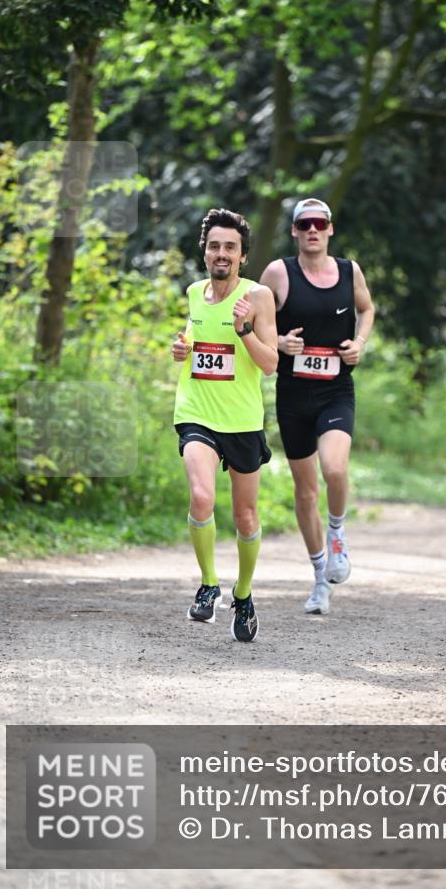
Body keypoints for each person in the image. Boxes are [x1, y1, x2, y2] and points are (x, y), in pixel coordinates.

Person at [260, 197, 375, 614]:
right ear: (294, 231)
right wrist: (278, 343)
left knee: (335, 468)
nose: (312, 230)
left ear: (330, 229)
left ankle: (338, 534)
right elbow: (256, 322)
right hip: (293, 396)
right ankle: (318, 579)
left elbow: (366, 309)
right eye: (304, 223)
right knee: (306, 493)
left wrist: (359, 344)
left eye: (319, 223)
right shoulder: (278, 272)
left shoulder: (349, 271)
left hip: (335, 390)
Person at [172, 208, 278, 641]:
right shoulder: (195, 292)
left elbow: (270, 363)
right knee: (201, 497)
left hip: (242, 420)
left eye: (230, 247)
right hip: (196, 411)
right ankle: (209, 584)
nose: (221, 253)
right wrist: (182, 348)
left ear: (242, 256)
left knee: (245, 515)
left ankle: (244, 592)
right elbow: (194, 341)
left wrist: (245, 329)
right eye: (214, 246)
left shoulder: (259, 297)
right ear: (205, 252)